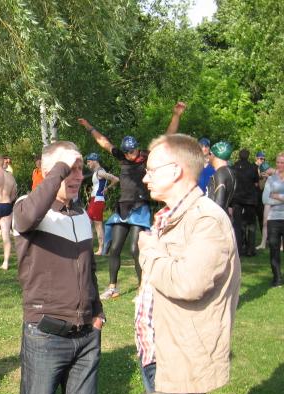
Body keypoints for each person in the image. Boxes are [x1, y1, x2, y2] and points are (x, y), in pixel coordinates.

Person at [135, 134, 239, 394]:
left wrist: (148, 250)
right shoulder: (171, 216)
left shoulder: (206, 220)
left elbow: (187, 283)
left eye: (151, 170)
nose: (145, 177)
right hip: (160, 352)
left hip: (182, 359)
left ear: (176, 170)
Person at [12, 141, 105, 394]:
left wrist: (97, 312)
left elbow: (88, 269)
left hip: (86, 336)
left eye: (79, 169)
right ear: (48, 172)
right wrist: (59, 169)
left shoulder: (79, 213)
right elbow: (25, 217)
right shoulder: (28, 208)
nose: (77, 176)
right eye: (69, 169)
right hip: (46, 336)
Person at [78, 101, 185, 299]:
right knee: (115, 249)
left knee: (136, 249)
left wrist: (176, 115)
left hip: (140, 207)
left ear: (136, 148)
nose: (130, 155)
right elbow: (104, 142)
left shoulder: (146, 157)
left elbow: (167, 138)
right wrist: (89, 127)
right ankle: (112, 287)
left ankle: (142, 288)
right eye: (127, 152)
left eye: (132, 151)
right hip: (122, 208)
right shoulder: (122, 157)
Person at [86, 152, 120, 255]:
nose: (88, 164)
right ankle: (89, 247)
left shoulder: (100, 172)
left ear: (95, 161)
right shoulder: (97, 172)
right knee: (88, 222)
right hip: (94, 200)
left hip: (98, 200)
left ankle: (101, 249)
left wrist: (107, 188)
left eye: (89, 161)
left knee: (98, 224)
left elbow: (116, 179)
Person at [231, 149, 259, 256]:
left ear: (239, 156)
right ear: (248, 156)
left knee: (238, 224)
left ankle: (240, 247)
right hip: (250, 199)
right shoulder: (253, 168)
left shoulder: (234, 168)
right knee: (251, 224)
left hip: (237, 199)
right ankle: (250, 249)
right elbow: (256, 183)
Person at [262, 152, 284, 287]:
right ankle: (277, 278)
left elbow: (271, 197)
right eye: (278, 162)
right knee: (274, 249)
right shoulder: (271, 179)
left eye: (282, 162)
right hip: (273, 219)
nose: (279, 165)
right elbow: (265, 199)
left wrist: (277, 196)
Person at [206, 141, 235, 211]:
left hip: (215, 215)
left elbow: (219, 202)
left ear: (214, 155)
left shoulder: (220, 173)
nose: (208, 156)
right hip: (224, 212)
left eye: (210, 153)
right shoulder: (230, 172)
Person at [256, 151, 274, 249]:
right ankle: (263, 243)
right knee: (264, 222)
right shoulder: (258, 170)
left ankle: (280, 244)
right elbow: (260, 186)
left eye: (263, 158)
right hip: (264, 200)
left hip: (274, 201)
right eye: (260, 158)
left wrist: (269, 176)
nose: (262, 160)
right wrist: (262, 177)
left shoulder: (275, 174)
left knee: (277, 222)